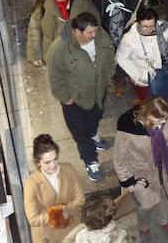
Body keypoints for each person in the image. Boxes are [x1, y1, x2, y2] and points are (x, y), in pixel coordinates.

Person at [113, 96, 168, 241]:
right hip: (143, 176)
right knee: (145, 206)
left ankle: (164, 222)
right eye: (160, 120)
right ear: (149, 114)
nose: (164, 122)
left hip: (166, 169)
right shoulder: (128, 132)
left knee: (164, 198)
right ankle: (144, 229)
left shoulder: (167, 119)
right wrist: (128, 182)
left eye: (165, 118)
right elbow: (120, 158)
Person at [45, 13, 115, 182]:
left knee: (95, 117)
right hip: (75, 100)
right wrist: (66, 99)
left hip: (98, 92)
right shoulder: (59, 49)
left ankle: (93, 132)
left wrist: (106, 79)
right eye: (90, 33)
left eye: (95, 31)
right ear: (76, 31)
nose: (94, 36)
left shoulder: (100, 36)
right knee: (80, 134)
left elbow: (109, 57)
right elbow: (56, 78)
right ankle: (91, 160)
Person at [23, 134, 85, 243]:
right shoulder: (31, 183)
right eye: (47, 162)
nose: (53, 165)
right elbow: (33, 219)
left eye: (55, 159)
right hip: (48, 236)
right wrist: (60, 213)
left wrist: (60, 211)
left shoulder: (68, 169)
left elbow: (80, 201)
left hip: (73, 230)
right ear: (38, 163)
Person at [28, 0, 99, 67]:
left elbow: (97, 25)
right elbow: (34, 30)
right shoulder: (43, 6)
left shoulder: (82, 2)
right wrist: (35, 55)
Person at [116, 7, 168, 102]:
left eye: (152, 26)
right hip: (145, 77)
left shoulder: (164, 28)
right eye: (144, 26)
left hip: (166, 70)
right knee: (151, 104)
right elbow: (121, 58)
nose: (148, 29)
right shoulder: (129, 39)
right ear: (138, 23)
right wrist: (138, 76)